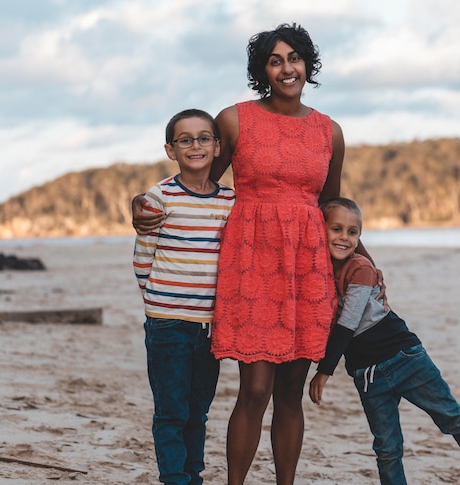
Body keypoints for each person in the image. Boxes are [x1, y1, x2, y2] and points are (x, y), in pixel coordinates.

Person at [132, 23, 383, 485]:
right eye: (275, 60)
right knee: (255, 389)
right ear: (262, 71)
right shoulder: (235, 119)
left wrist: (364, 263)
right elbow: (200, 179)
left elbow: (331, 208)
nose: (287, 68)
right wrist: (141, 205)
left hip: (306, 269)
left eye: (294, 58)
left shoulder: (331, 131)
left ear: (308, 64)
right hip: (251, 266)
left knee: (290, 393)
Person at [309, 197, 460, 485]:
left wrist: (324, 371)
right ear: (319, 229)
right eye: (336, 229)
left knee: (451, 416)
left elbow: (347, 324)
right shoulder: (314, 271)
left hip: (405, 357)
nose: (344, 238)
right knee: (387, 448)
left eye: (353, 232)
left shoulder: (360, 268)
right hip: (368, 376)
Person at [133, 108, 235, 485]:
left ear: (217, 145)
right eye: (185, 139)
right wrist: (160, 302)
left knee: (198, 411)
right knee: (171, 410)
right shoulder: (160, 197)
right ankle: (174, 477)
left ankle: (193, 475)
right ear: (170, 149)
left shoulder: (230, 201)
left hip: (209, 327)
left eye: (204, 137)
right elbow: (143, 259)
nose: (196, 145)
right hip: (168, 324)